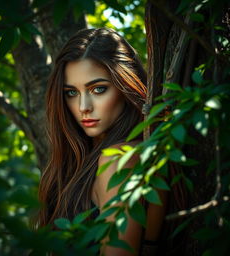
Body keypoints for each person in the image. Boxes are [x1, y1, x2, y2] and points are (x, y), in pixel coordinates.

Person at [38, 27, 167, 255]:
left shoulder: (118, 159)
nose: (83, 107)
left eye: (98, 89)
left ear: (126, 85)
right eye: (71, 92)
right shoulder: (84, 158)